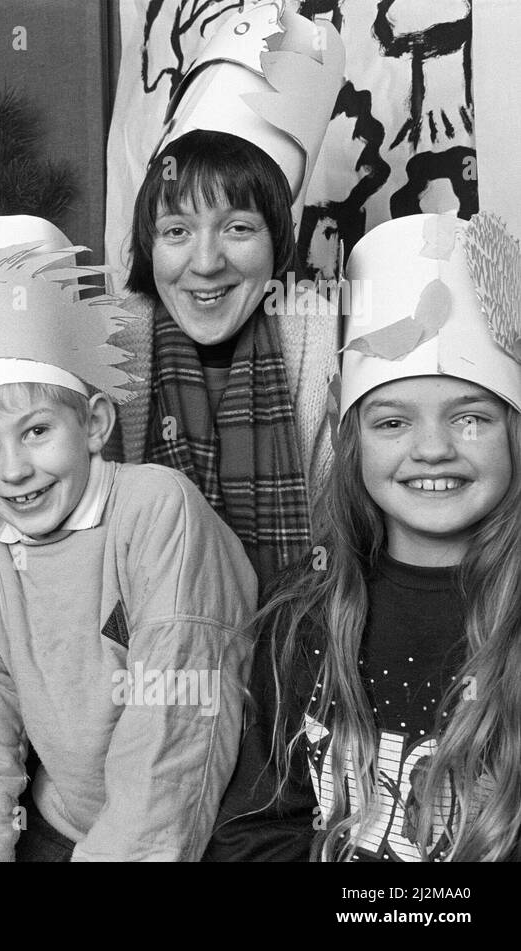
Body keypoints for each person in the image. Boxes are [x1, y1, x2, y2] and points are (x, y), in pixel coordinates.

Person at [0, 222, 257, 861]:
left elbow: (173, 738)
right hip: (64, 825)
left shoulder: (158, 511)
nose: (15, 470)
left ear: (95, 424)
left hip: (201, 830)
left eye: (37, 431)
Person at [205, 212, 521, 862]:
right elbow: (252, 829)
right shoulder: (302, 614)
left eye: (470, 417)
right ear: (347, 435)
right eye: (392, 421)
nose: (432, 449)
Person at [111, 4, 346, 580]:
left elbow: (348, 530)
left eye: (238, 227)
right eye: (176, 231)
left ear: (277, 242)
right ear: (148, 243)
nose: (207, 263)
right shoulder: (105, 344)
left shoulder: (325, 341)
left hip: (298, 631)